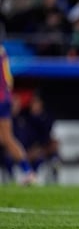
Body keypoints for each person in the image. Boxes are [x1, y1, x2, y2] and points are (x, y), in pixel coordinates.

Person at [0, 44, 36, 185]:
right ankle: (28, 171)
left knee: (6, 138)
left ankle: (28, 171)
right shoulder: (2, 50)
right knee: (6, 138)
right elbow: (9, 80)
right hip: (5, 97)